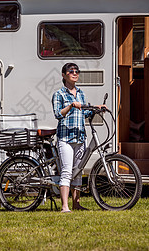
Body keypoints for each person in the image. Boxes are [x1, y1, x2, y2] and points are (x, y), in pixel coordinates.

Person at [52, 62, 98, 213]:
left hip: (80, 137)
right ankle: (64, 206)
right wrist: (71, 105)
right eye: (71, 71)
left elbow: (84, 113)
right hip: (65, 137)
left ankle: (76, 204)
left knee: (78, 171)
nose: (75, 73)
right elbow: (58, 114)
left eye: (76, 71)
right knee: (67, 171)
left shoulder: (81, 93)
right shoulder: (59, 94)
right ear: (64, 75)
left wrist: (96, 109)